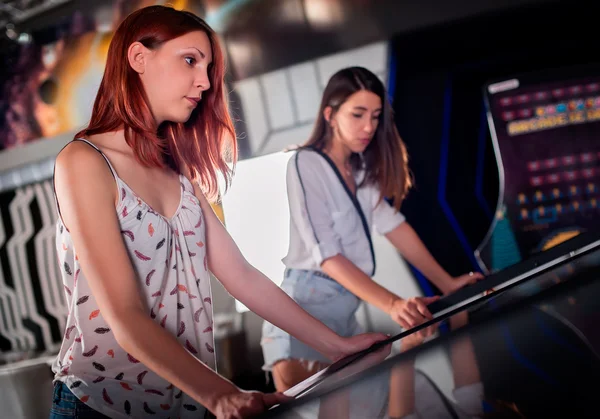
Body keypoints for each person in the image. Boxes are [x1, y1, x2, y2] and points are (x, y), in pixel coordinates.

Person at [50, 7, 386, 419]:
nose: (205, 82)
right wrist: (219, 395)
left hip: (181, 405)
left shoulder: (176, 171)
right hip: (97, 408)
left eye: (209, 68)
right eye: (190, 60)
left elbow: (241, 275)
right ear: (138, 58)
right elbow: (124, 314)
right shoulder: (84, 162)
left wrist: (337, 346)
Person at [261, 67, 484, 392]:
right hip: (302, 311)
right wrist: (394, 305)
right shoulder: (306, 163)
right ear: (330, 115)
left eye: (376, 116)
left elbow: (394, 226)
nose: (369, 127)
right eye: (358, 114)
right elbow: (327, 257)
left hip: (344, 313)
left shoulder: (362, 167)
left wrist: (447, 283)